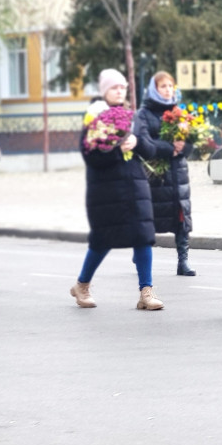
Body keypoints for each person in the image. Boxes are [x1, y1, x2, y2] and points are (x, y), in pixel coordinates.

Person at [69, 68, 162, 311]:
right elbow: (90, 157)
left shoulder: (133, 117)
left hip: (135, 185)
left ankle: (146, 292)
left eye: (122, 87)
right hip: (105, 190)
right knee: (102, 240)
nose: (120, 91)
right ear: (104, 92)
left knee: (143, 237)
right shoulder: (94, 118)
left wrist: (138, 142)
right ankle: (82, 285)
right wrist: (114, 150)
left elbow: (151, 150)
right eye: (114, 88)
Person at [134, 71, 196, 276]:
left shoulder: (180, 112)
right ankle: (141, 254)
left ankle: (183, 261)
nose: (168, 90)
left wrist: (183, 147)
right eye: (163, 86)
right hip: (154, 176)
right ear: (154, 89)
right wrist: (170, 147)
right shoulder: (143, 114)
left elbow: (192, 141)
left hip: (177, 174)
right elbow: (143, 143)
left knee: (181, 217)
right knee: (148, 218)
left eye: (170, 86)